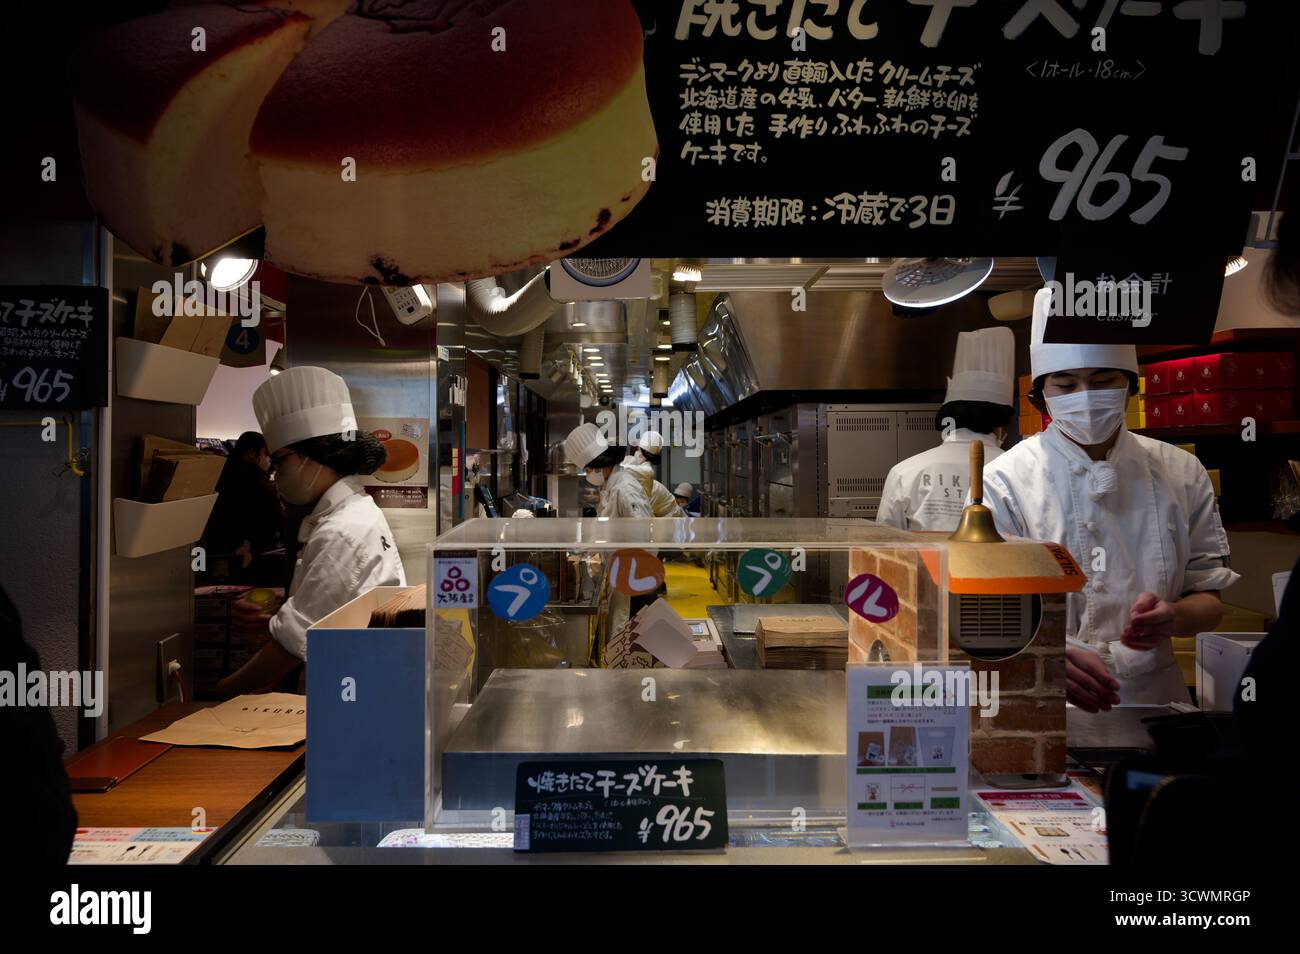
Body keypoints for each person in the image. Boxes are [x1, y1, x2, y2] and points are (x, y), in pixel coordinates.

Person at [980, 288, 1239, 709]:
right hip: (1044, 688)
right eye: (1065, 384)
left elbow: (1210, 599)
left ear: (1129, 386)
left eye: (1102, 382)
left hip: (1153, 696)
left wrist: (1175, 616)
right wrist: (1044, 652)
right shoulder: (1005, 479)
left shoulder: (1180, 471)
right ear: (1041, 396)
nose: (1084, 395)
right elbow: (985, 609)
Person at [217, 367, 406, 695]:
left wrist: (221, 693)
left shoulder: (342, 531)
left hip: (349, 696)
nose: (276, 474)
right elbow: (327, 612)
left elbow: (290, 649)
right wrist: (275, 619)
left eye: (280, 461)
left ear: (313, 458)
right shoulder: (351, 513)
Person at [877, 327, 1014, 531]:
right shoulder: (1016, 472)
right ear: (1000, 424)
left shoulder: (904, 473)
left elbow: (886, 546)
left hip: (926, 564)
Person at [202, 431, 283, 581]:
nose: (269, 460)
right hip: (252, 555)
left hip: (214, 554)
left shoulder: (217, 473)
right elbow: (276, 520)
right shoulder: (259, 483)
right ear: (252, 453)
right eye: (266, 454)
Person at [565, 422, 651, 518]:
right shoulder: (609, 486)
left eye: (587, 471)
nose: (587, 475)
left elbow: (641, 527)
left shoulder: (625, 489)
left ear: (597, 467)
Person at [623, 430, 683, 517]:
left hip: (672, 519)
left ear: (642, 454)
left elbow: (625, 470)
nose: (636, 453)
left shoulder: (646, 472)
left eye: (638, 450)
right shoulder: (642, 474)